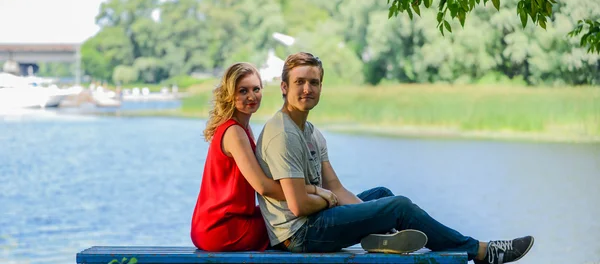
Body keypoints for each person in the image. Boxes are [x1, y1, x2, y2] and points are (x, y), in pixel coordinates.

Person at [254, 52, 535, 264]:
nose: (307, 89)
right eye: (299, 82)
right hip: (298, 236)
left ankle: (382, 234)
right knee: (397, 206)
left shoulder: (310, 132)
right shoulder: (283, 133)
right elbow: (299, 204)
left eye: (314, 83)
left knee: (382, 196)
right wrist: (329, 198)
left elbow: (336, 187)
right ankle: (481, 251)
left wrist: (355, 206)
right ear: (283, 87)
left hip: (316, 219)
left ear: (321, 87)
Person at [190, 62, 337, 252]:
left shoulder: (242, 128)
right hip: (223, 227)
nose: (251, 96)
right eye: (243, 91)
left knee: (290, 216)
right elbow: (263, 186)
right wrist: (314, 191)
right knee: (294, 223)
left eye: (256, 89)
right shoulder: (234, 132)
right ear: (230, 94)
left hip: (222, 221)